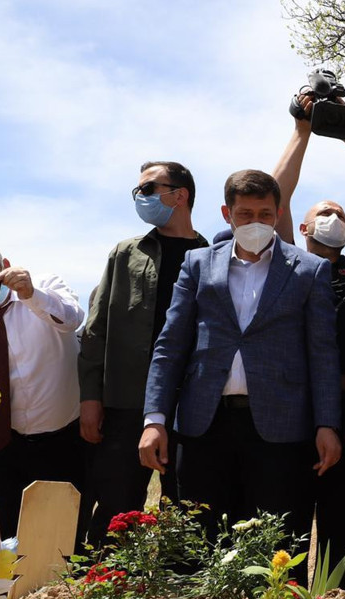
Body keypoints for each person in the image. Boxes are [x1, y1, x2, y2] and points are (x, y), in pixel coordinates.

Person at [139, 170, 342, 574]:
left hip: (280, 428)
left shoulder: (309, 269)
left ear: (278, 213)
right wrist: (154, 419)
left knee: (277, 546)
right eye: (245, 214)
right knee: (195, 543)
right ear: (226, 213)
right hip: (203, 424)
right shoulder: (197, 264)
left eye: (265, 214)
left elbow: (322, 353)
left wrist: (327, 424)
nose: (256, 223)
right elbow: (170, 345)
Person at [270, 92, 345, 588]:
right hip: (293, 411)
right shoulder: (287, 262)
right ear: (302, 226)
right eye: (324, 212)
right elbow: (275, 194)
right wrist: (302, 129)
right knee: (289, 527)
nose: (334, 218)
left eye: (340, 212)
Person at [79, 161, 208, 545]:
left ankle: (181, 592)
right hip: (126, 401)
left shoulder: (212, 255)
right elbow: (96, 328)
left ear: (180, 194)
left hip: (192, 403)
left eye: (149, 189)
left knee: (186, 506)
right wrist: (90, 398)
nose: (141, 197)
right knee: (117, 503)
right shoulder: (126, 253)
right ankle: (107, 583)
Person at [0, 237, 89, 544]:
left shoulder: (44, 284)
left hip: (63, 439)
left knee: (67, 541)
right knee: (8, 541)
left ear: (5, 266)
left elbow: (72, 319)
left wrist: (31, 294)